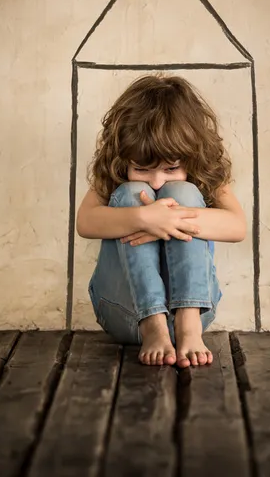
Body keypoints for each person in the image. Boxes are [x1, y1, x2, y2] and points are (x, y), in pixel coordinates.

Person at [76, 74, 246, 368]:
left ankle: (188, 321)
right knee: (132, 193)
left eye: (170, 168)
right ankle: (153, 323)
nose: (156, 181)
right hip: (125, 313)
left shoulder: (202, 172)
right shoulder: (116, 172)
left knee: (184, 191)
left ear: (191, 157)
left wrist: (170, 218)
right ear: (125, 158)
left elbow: (237, 226)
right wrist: (143, 216)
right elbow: (85, 222)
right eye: (141, 168)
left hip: (196, 314)